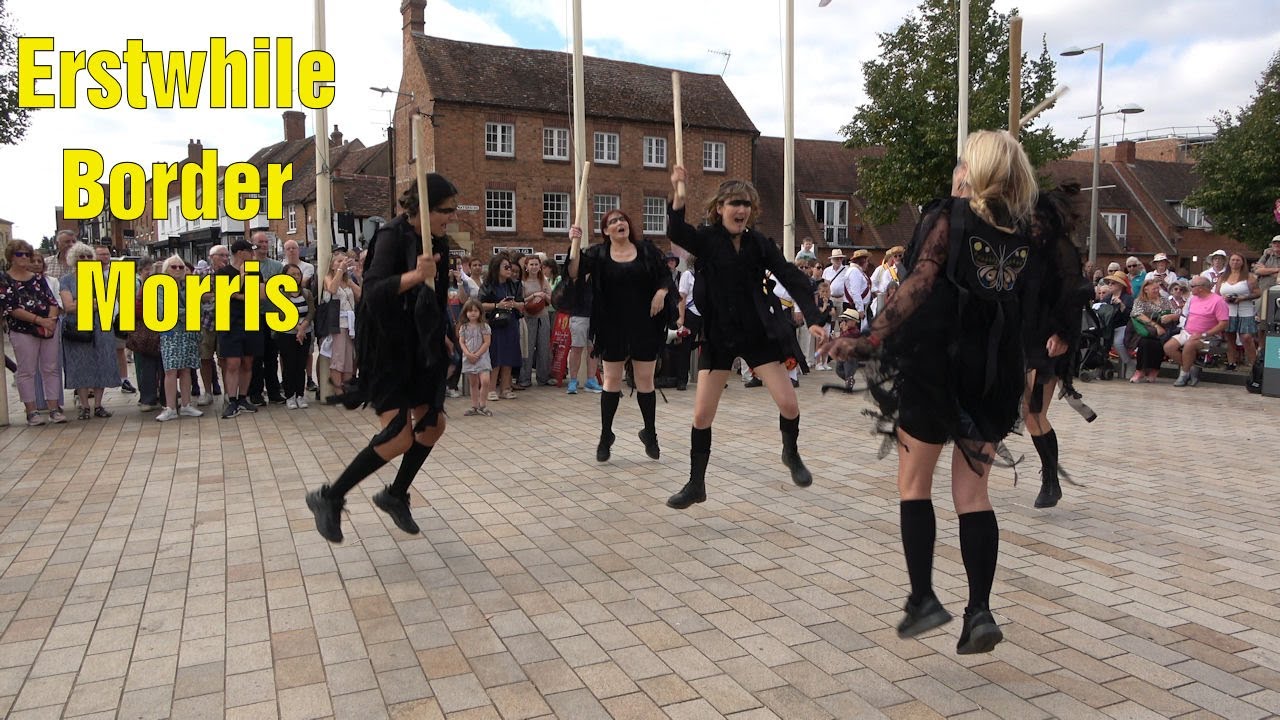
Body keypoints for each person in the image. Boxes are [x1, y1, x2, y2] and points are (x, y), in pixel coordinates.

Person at [828, 130, 1065, 655]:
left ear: (974, 170)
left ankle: (923, 598)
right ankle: (979, 609)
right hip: (992, 371)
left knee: (914, 484)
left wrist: (869, 339)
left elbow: (920, 283)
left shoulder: (949, 219)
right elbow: (1050, 295)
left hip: (938, 364)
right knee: (973, 496)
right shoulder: (1029, 230)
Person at [306, 175, 459, 543]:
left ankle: (394, 494)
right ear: (423, 207)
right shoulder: (391, 236)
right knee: (398, 437)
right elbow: (372, 292)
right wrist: (415, 275)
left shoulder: (437, 240)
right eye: (446, 210)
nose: (451, 217)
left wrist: (445, 335)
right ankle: (329, 496)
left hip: (422, 347)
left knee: (433, 426)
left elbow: (435, 297)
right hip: (389, 348)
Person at [664, 166, 827, 508]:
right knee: (701, 416)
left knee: (789, 403)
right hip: (719, 336)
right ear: (719, 208)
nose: (741, 210)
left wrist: (813, 317)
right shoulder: (707, 240)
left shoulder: (758, 243)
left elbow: (790, 276)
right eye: (734, 203)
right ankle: (696, 484)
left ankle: (791, 452)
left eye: (747, 204)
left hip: (756, 333)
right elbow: (676, 230)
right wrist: (678, 195)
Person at [567, 208, 672, 461]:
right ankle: (606, 436)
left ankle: (650, 433)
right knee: (611, 379)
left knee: (645, 380)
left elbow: (665, 276)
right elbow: (573, 273)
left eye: (622, 219)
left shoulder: (646, 250)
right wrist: (575, 241)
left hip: (644, 322)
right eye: (613, 221)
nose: (619, 223)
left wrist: (661, 292)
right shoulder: (598, 254)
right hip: (611, 324)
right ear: (606, 231)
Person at [1018, 185, 1090, 510]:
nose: (1030, 223)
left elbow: (1075, 293)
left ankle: (1051, 479)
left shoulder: (1062, 249)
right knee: (1028, 412)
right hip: (1025, 338)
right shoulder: (1026, 249)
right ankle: (1049, 474)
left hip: (1049, 344)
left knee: (1034, 411)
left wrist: (1062, 334)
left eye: (1035, 218)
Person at [0, 240, 67, 425]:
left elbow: (52, 301)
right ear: (11, 257)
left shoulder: (38, 278)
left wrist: (51, 321)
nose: (24, 258)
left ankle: (54, 408)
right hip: (23, 329)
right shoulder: (4, 279)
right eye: (19, 254)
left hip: (48, 328)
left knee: (51, 368)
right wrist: (39, 320)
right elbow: (11, 307)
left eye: (27, 254)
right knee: (26, 370)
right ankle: (31, 411)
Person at [59, 243, 120, 419]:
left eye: (88, 257)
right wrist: (92, 302)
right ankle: (85, 406)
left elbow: (106, 302)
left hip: (101, 326)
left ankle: (99, 405)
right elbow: (69, 306)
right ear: (73, 260)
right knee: (80, 365)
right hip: (77, 329)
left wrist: (85, 302)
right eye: (81, 257)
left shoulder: (101, 279)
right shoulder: (66, 280)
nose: (85, 260)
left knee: (102, 363)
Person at [216, 240, 262, 418]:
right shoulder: (224, 272)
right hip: (230, 322)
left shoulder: (255, 271)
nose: (252, 253)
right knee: (233, 363)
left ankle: (243, 398)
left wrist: (237, 295)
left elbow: (261, 294)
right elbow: (224, 294)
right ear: (240, 252)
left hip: (250, 320)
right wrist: (242, 279)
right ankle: (232, 400)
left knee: (248, 362)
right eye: (250, 250)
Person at [155, 255, 203, 421]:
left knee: (186, 369)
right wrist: (186, 311)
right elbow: (165, 311)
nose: (177, 270)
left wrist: (185, 311)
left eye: (180, 267)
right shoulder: (160, 287)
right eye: (173, 267)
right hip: (170, 332)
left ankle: (186, 404)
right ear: (166, 269)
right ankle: (170, 407)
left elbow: (198, 309)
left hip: (189, 332)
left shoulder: (189, 286)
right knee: (170, 370)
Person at [1164, 276, 1228, 387]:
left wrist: (1203, 334)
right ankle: (1191, 368)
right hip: (1187, 332)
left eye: (1192, 286)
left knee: (1189, 345)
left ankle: (1183, 375)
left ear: (1201, 288)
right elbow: (1184, 314)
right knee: (1168, 347)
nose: (1189, 289)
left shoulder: (1218, 301)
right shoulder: (1192, 299)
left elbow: (1224, 323)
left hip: (1209, 336)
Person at [479, 256, 524, 400]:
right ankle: (491, 389)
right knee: (495, 355)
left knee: (509, 355)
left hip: (511, 323)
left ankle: (506, 388)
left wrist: (513, 304)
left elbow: (522, 304)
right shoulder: (487, 285)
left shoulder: (515, 284)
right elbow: (480, 304)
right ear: (496, 267)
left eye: (510, 267)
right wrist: (498, 305)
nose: (509, 270)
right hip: (494, 324)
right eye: (506, 267)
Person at [276, 263, 315, 409]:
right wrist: (297, 328)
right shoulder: (280, 294)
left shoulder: (306, 293)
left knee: (301, 365)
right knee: (289, 365)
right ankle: (290, 395)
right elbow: (282, 314)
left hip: (305, 333)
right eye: (292, 274)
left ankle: (300, 394)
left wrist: (303, 327)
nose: (296, 277)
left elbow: (311, 311)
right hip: (287, 334)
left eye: (298, 274)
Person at [1215, 252, 1259, 370]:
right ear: (1229, 262)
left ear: (1242, 262)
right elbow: (1217, 294)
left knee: (1246, 337)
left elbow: (1257, 293)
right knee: (1230, 337)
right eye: (1233, 260)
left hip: (1245, 309)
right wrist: (1224, 299)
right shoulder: (1223, 277)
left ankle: (1254, 364)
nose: (1235, 262)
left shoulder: (1249, 277)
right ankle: (1231, 362)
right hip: (1228, 310)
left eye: (1238, 260)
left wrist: (1243, 298)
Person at [1130, 274, 1178, 383]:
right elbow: (1137, 315)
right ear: (1146, 289)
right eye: (1154, 289)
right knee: (1145, 342)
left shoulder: (1164, 300)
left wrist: (1170, 316)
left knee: (1160, 342)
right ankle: (1140, 370)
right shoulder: (1140, 301)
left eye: (1157, 288)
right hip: (1145, 329)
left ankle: (1154, 370)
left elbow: (1175, 314)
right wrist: (1155, 325)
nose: (1156, 291)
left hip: (1164, 328)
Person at [517, 254, 553, 388]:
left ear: (540, 266)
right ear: (526, 266)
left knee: (544, 348)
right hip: (528, 318)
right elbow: (520, 301)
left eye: (536, 264)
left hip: (543, 317)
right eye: (531, 264)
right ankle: (524, 378)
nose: (534, 267)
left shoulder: (544, 281)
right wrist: (534, 295)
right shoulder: (522, 283)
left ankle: (543, 377)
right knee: (527, 348)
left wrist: (544, 296)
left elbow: (552, 299)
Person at [457, 298, 493, 416]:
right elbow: (462, 342)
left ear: (480, 312)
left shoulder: (484, 327)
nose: (473, 313)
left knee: (485, 381)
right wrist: (467, 354)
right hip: (469, 357)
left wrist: (477, 354)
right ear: (465, 313)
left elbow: (487, 342)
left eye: (475, 311)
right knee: (473, 383)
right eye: (470, 311)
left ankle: (483, 405)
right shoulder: (464, 327)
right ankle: (474, 406)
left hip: (482, 358)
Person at [1253, 235, 1280, 325]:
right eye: (1274, 243)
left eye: (1279, 243)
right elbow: (1257, 270)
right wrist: (1277, 270)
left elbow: (1262, 270)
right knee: (1261, 323)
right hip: (1263, 294)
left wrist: (1265, 270)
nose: (1277, 245)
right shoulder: (1267, 255)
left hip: (1277, 296)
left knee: (1275, 323)